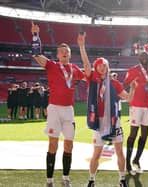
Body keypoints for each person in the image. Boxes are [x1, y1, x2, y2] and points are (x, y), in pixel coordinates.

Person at [31, 22, 89, 187]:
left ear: (70, 55)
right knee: (53, 144)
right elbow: (36, 54)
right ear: (57, 55)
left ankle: (65, 178)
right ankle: (49, 180)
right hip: (54, 109)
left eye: (67, 52)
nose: (64, 53)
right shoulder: (52, 65)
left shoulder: (74, 69)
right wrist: (35, 35)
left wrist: (82, 46)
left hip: (69, 111)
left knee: (69, 145)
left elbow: (88, 73)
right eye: (62, 52)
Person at [78, 32, 136, 187]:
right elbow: (85, 65)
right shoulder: (92, 79)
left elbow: (128, 98)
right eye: (100, 65)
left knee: (119, 152)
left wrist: (133, 90)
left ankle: (122, 179)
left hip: (114, 121)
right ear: (96, 67)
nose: (102, 67)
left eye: (105, 65)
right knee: (96, 154)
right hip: (98, 121)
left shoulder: (115, 83)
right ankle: (91, 180)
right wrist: (82, 46)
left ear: (107, 67)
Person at [123, 51, 148, 175]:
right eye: (142, 56)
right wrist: (138, 84)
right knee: (133, 134)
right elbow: (125, 84)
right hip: (136, 105)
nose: (144, 58)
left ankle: (136, 160)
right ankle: (128, 162)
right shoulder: (133, 70)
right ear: (139, 58)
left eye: (146, 56)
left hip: (147, 106)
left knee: (145, 134)